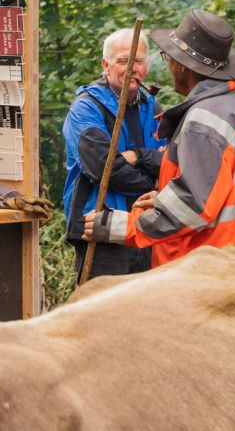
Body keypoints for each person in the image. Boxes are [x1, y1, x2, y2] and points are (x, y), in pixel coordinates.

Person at [84, 9, 235, 270]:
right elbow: (222, 189)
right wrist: (164, 198)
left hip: (218, 270)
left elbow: (194, 206)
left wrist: (124, 226)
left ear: (183, 66)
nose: (169, 67)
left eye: (169, 58)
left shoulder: (205, 121)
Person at [61, 28, 164, 279]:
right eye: (123, 61)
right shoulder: (87, 109)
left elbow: (170, 161)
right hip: (100, 228)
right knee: (103, 303)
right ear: (105, 65)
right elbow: (105, 169)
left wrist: (138, 156)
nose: (132, 69)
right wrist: (153, 183)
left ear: (147, 66)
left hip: (145, 227)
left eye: (138, 61)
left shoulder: (153, 109)